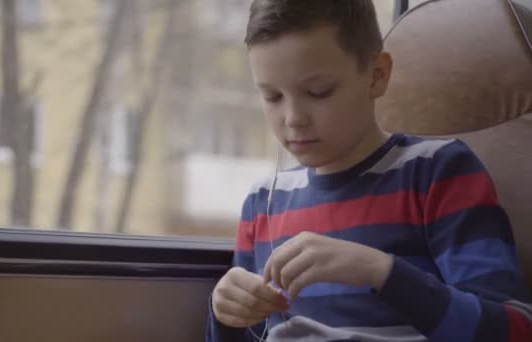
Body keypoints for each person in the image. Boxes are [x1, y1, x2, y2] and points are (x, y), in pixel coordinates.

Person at [205, 0, 532, 341]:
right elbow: (254, 333)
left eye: (319, 92)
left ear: (376, 76)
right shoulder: (264, 202)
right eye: (272, 97)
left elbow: (514, 330)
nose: (292, 118)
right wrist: (226, 314)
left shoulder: (438, 172)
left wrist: (380, 272)